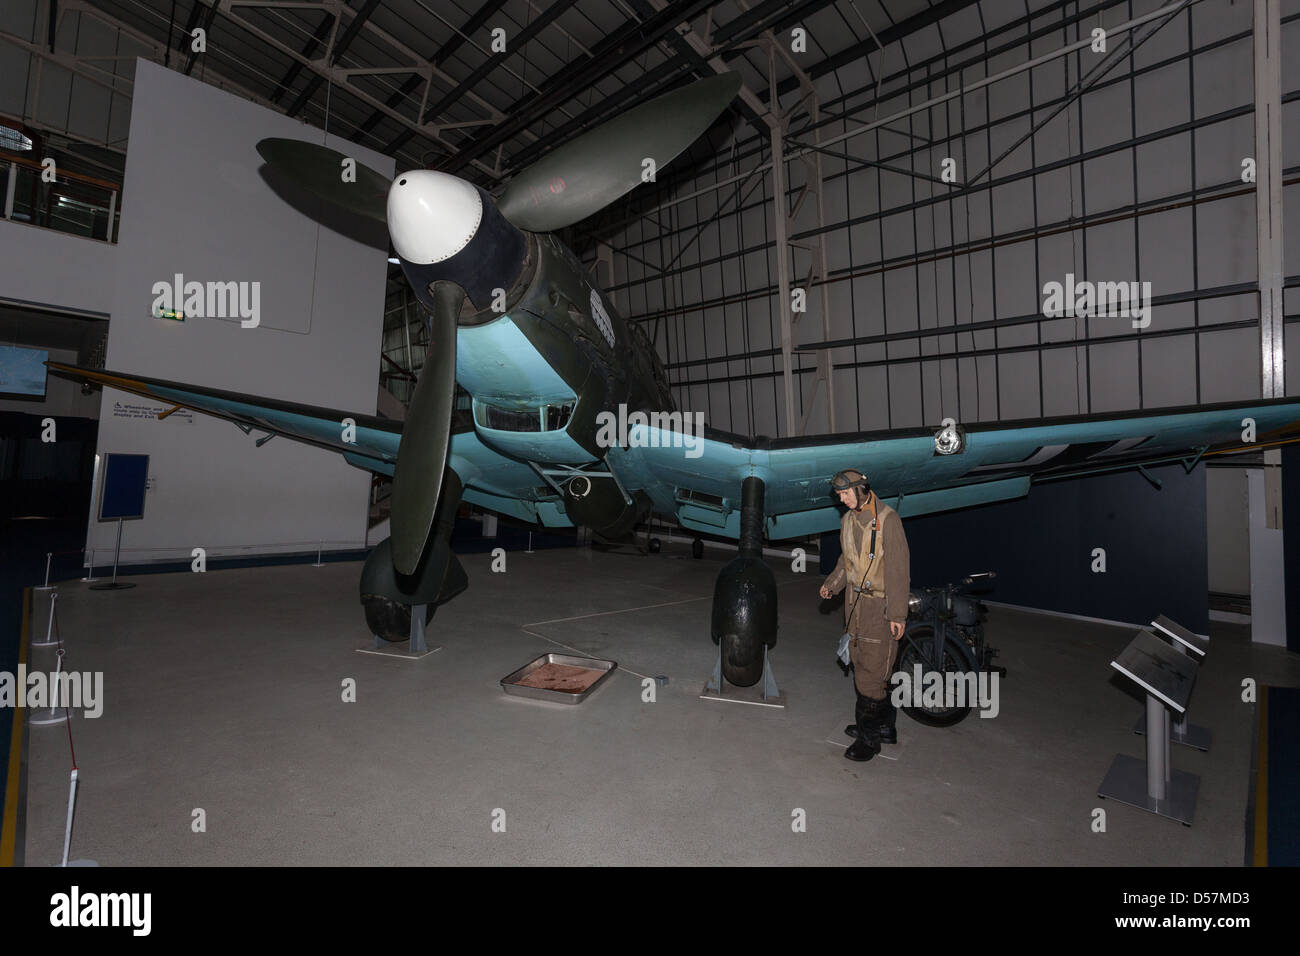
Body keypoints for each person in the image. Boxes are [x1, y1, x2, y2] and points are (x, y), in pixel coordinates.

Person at [819, 469, 911, 762]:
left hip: (879, 607)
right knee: (862, 662)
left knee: (872, 673)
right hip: (854, 603)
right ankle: (882, 726)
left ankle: (869, 740)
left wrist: (897, 613)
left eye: (845, 494)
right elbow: (846, 561)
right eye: (839, 496)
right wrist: (832, 585)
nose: (842, 500)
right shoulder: (848, 521)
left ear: (861, 490)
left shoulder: (888, 521)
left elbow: (898, 569)